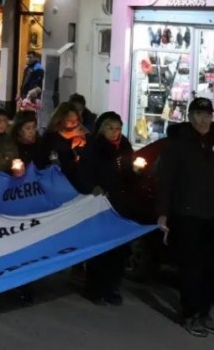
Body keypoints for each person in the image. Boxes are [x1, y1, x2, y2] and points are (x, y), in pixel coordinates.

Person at [155, 98, 214, 337]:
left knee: (211, 268)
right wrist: (162, 213)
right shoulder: (178, 143)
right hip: (187, 214)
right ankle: (190, 314)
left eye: (208, 115)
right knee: (191, 268)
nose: (204, 119)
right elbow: (166, 180)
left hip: (212, 214)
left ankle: (204, 312)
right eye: (200, 114)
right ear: (190, 116)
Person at [77, 111, 134, 306]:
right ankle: (94, 288)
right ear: (102, 128)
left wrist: (136, 173)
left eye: (117, 128)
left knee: (119, 249)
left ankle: (112, 288)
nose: (114, 132)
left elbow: (128, 172)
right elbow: (84, 173)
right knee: (101, 249)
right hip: (101, 204)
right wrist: (93, 187)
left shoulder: (124, 146)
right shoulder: (93, 147)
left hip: (120, 203)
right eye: (110, 128)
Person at [43, 102, 88, 190]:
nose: (74, 124)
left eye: (76, 121)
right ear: (60, 119)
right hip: (58, 181)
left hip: (77, 180)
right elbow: (52, 160)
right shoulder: (51, 137)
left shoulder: (79, 133)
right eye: (70, 121)